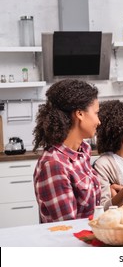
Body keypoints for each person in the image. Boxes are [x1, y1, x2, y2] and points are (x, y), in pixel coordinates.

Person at [33, 79, 101, 223]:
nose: (98, 121)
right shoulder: (54, 164)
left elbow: (89, 209)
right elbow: (67, 228)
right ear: (80, 114)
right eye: (96, 113)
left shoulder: (83, 151)